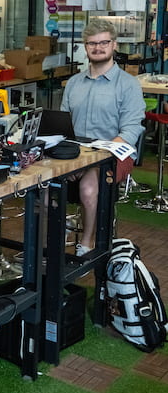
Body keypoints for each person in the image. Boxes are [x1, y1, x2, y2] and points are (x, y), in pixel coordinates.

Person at [61, 19, 145, 255]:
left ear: (114, 45)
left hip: (114, 154)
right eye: (92, 44)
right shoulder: (74, 83)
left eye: (103, 42)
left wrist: (89, 160)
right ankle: (53, 238)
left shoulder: (128, 85)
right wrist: (70, 156)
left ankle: (87, 244)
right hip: (77, 151)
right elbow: (63, 125)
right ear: (85, 47)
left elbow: (129, 131)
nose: (98, 48)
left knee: (88, 186)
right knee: (42, 182)